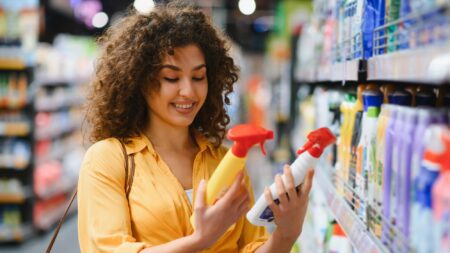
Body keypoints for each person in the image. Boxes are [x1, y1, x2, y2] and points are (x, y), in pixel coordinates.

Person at [78, 2, 314, 253]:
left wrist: (286, 234)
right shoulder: (108, 159)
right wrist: (200, 239)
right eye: (171, 77)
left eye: (199, 77)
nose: (188, 92)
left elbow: (250, 247)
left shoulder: (226, 161)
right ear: (139, 81)